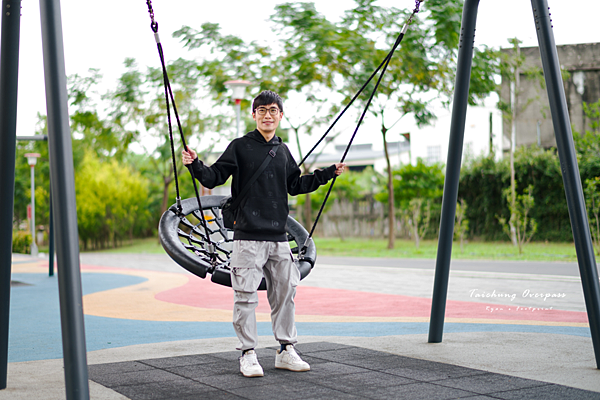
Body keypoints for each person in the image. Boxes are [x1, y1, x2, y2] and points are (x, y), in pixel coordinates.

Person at [182, 90, 346, 378]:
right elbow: (213, 176)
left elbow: (296, 184)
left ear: (280, 116)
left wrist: (327, 173)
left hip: (279, 238)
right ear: (254, 114)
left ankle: (286, 350)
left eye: (273, 110)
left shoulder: (282, 151)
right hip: (246, 237)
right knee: (245, 295)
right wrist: (195, 163)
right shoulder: (240, 146)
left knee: (286, 293)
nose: (267, 115)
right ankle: (247, 354)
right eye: (262, 110)